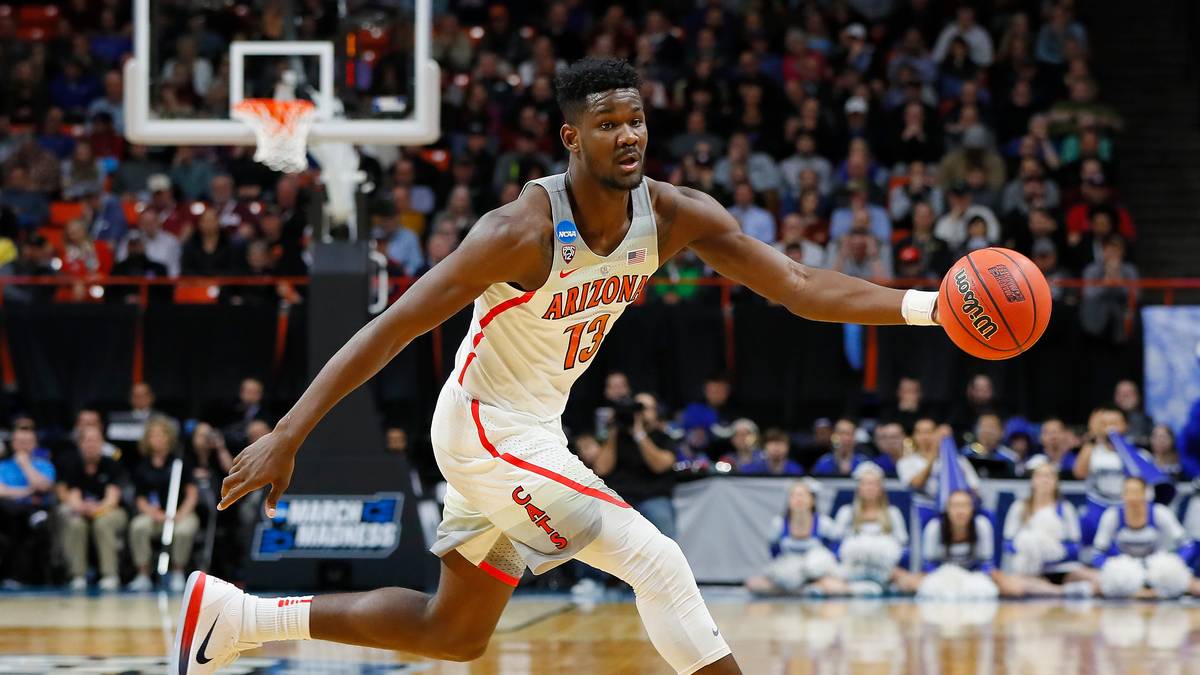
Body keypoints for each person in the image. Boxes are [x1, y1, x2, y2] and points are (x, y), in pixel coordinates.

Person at [192, 57, 945, 675]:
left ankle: (238, 616)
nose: (629, 135)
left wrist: (932, 306)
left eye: (636, 119)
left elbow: (802, 287)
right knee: (655, 558)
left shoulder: (674, 213)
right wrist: (289, 432)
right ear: (571, 138)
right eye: (608, 123)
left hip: (532, 431)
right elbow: (392, 327)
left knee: (452, 630)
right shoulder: (517, 231)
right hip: (483, 426)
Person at [1074, 476, 1200, 598]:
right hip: (1125, 574)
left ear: (1145, 493)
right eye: (1128, 492)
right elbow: (1097, 553)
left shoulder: (1159, 512)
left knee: (1193, 585)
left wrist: (1175, 562)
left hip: (1157, 572)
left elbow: (1187, 544)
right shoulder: (1112, 515)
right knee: (1097, 586)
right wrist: (1112, 566)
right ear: (1123, 494)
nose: (1132, 497)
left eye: (1136, 492)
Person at [127, 416, 199, 592]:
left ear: (169, 438)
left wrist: (181, 513)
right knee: (138, 526)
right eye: (153, 435)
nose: (158, 439)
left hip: (181, 512)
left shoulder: (180, 462)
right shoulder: (142, 467)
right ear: (147, 439)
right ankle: (143, 574)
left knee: (184, 530)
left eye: (162, 435)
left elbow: (192, 494)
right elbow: (140, 498)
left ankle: (177, 572)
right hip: (155, 514)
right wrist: (154, 513)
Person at [591, 392, 677, 538]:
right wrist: (613, 431)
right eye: (637, 408)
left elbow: (660, 465)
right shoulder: (617, 437)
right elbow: (601, 469)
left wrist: (640, 434)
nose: (640, 413)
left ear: (656, 412)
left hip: (652, 497)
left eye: (645, 408)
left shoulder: (663, 438)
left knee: (660, 518)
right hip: (619, 498)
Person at [55, 426, 128, 591]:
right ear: (80, 444)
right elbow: (72, 495)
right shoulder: (73, 465)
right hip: (82, 510)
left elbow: (112, 499)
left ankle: (110, 575)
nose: (91, 444)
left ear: (102, 443)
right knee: (75, 523)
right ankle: (77, 575)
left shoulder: (112, 465)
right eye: (87, 440)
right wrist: (81, 507)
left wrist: (96, 510)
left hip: (108, 510)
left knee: (103, 523)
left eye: (95, 440)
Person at [999, 457, 1083, 597]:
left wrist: (1052, 552)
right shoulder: (1019, 507)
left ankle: (1053, 588)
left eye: (1049, 476)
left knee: (1086, 575)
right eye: (1040, 476)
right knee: (1012, 586)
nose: (1045, 480)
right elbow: (1007, 543)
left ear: (1056, 482)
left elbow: (1075, 545)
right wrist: (1030, 549)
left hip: (1059, 568)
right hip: (1027, 569)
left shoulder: (1066, 509)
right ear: (1033, 481)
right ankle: (1059, 592)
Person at [744, 480, 840, 596]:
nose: (799, 499)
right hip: (789, 573)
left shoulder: (824, 523)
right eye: (794, 495)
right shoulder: (778, 524)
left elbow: (835, 549)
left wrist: (820, 569)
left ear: (812, 501)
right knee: (754, 584)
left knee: (834, 586)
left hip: (816, 572)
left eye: (803, 495)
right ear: (789, 501)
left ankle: (812, 587)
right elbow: (774, 552)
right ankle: (802, 591)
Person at [829, 462, 908, 594]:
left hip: (885, 573)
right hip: (852, 572)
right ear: (859, 487)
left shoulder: (893, 513)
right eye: (865, 483)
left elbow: (903, 547)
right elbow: (836, 546)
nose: (869, 488)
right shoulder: (846, 513)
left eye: (874, 484)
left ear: (881, 488)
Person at [897, 417, 980, 529]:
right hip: (924, 508)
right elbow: (916, 484)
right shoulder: (906, 462)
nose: (924, 437)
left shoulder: (958, 460)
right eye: (919, 432)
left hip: (956, 509)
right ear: (913, 436)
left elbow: (974, 488)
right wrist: (933, 455)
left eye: (929, 432)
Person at [0, 428, 57, 587]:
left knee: (36, 523)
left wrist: (25, 465)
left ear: (35, 444)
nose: (24, 446)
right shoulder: (3, 466)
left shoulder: (44, 465)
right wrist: (26, 491)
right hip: (7, 513)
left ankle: (27, 576)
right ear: (13, 444)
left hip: (35, 510)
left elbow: (43, 486)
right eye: (20, 442)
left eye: (27, 442)